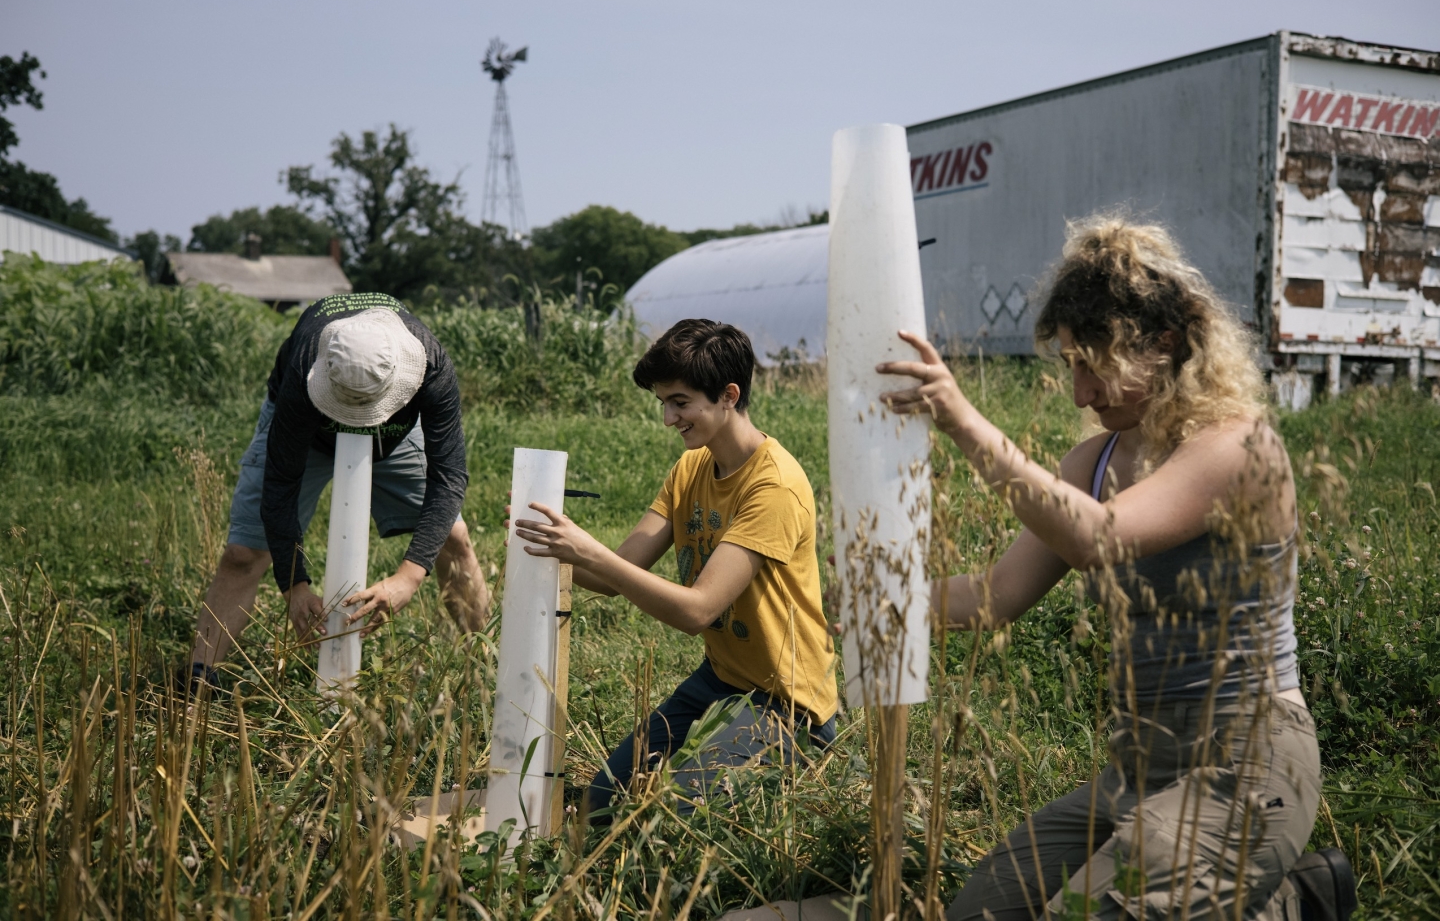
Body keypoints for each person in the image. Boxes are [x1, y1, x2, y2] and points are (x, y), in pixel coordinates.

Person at [875, 216, 1355, 920]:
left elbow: (1099, 537)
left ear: (1164, 344)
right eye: (1070, 363)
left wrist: (962, 421)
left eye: (1092, 363)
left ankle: (1288, 904)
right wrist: (869, 597)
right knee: (979, 912)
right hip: (1137, 769)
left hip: (1245, 762)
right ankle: (1285, 898)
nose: (1079, 393)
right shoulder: (1091, 462)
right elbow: (994, 597)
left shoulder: (1237, 447)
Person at [510, 319, 838, 819]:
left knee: (672, 818)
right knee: (601, 806)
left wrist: (587, 550)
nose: (668, 418)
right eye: (664, 403)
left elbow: (698, 611)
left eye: (680, 402)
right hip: (721, 679)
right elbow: (614, 576)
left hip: (785, 703)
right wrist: (550, 544)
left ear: (729, 395)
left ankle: (806, 757)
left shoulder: (774, 487)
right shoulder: (691, 468)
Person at [188, 292, 488, 687]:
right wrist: (294, 586)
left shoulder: (431, 364)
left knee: (454, 535)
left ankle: (485, 668)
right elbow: (280, 482)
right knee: (244, 552)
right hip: (306, 435)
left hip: (394, 437)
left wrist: (408, 577)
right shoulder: (303, 367)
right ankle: (195, 684)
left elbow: (449, 477)